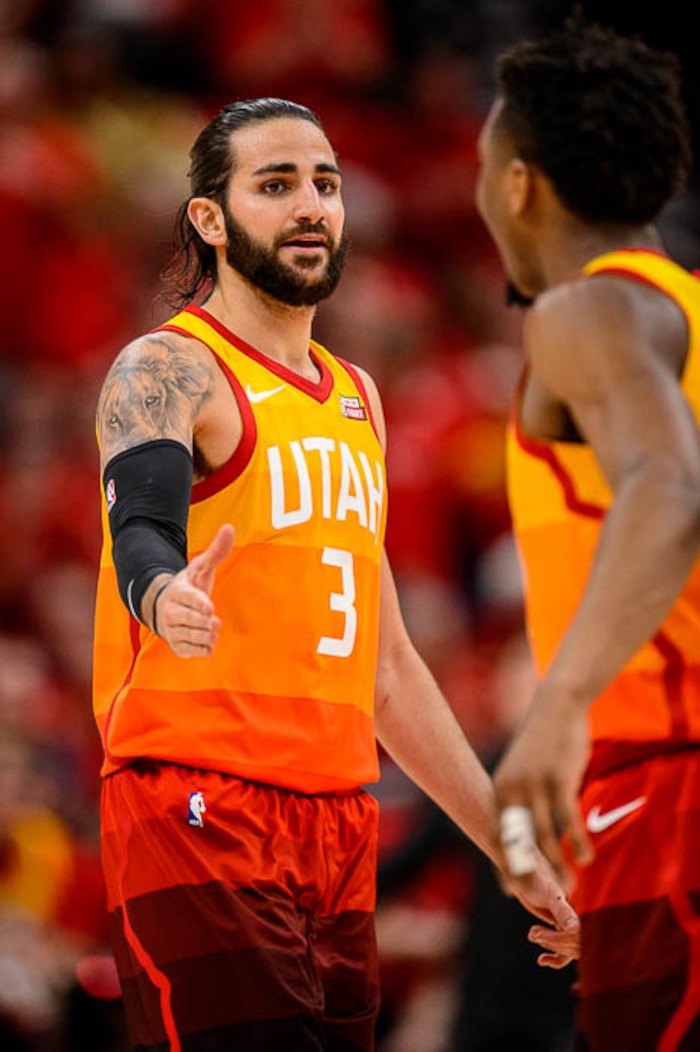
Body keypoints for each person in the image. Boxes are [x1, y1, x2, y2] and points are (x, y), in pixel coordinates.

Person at [91, 96, 579, 1051]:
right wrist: (161, 591)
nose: (310, 204)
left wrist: (509, 848)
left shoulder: (357, 397)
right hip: (199, 803)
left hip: (339, 828)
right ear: (210, 218)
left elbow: (388, 668)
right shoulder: (168, 366)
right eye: (275, 185)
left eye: (326, 183)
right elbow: (140, 523)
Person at [474, 11, 700, 1051]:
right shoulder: (682, 312)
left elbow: (666, 483)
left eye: (484, 170)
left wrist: (560, 704)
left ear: (519, 184)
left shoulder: (584, 313)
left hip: (669, 780)